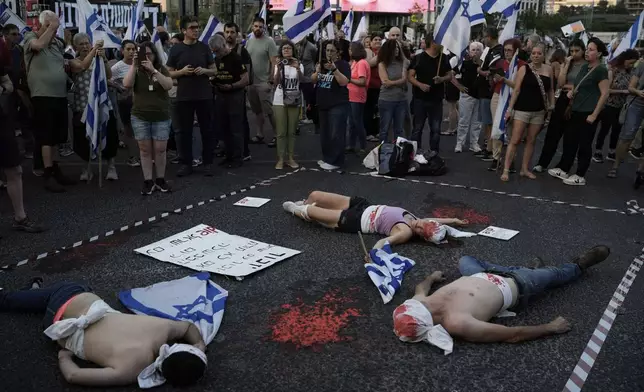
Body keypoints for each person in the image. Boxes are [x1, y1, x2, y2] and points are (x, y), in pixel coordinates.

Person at [393, 245, 610, 351]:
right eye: (425, 307)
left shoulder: (421, 304)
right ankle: (579, 266)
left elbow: (420, 289)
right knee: (555, 275)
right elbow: (512, 335)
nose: (426, 301)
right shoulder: (459, 323)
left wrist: (431, 278)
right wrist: (550, 328)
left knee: (465, 260)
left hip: (480, 274)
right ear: (429, 322)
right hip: (519, 283)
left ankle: (522, 268)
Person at [0, 279, 207, 387]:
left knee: (70, 287)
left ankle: (24, 294)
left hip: (72, 296)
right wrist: (65, 356)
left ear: (180, 346)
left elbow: (188, 327)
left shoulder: (162, 329)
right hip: (56, 328)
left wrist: (200, 344)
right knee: (41, 301)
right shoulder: (130, 371)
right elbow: (73, 374)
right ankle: (29, 293)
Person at [282, 191, 471, 251]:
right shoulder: (419, 221)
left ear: (421, 236)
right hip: (363, 206)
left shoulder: (405, 232)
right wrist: (454, 220)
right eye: (423, 222)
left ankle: (296, 210)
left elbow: (383, 242)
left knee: (310, 211)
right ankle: (304, 206)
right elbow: (434, 219)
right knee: (315, 195)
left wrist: (375, 254)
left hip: (355, 220)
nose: (419, 223)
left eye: (421, 228)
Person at [23, 11, 78, 192]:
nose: (53, 30)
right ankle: (47, 173)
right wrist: (52, 26)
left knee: (57, 136)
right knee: (46, 136)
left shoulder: (57, 44)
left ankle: (55, 168)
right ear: (40, 25)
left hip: (59, 95)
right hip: (42, 95)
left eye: (55, 26)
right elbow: (38, 45)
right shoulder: (31, 37)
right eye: (48, 26)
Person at [548, 38, 610, 186]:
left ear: (599, 53)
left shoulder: (601, 70)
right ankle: (564, 168)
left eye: (591, 49)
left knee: (584, 144)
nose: (588, 52)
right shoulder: (584, 67)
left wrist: (594, 114)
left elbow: (605, 93)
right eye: (587, 49)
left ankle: (580, 174)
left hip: (588, 111)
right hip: (576, 109)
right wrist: (572, 92)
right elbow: (578, 85)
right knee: (570, 140)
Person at [0, 35, 44, 233]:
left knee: (15, 170)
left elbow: (8, 83)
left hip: (1, 122)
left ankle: (20, 217)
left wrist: (4, 88)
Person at [167, 15, 218, 177]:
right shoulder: (176, 49)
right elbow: (168, 73)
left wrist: (205, 71)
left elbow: (214, 70)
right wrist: (181, 72)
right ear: (183, 31)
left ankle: (208, 163)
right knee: (183, 132)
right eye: (192, 28)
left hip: (204, 95)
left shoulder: (204, 48)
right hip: (184, 96)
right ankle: (186, 163)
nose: (196, 30)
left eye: (197, 27)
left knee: (207, 130)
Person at [123, 41, 174, 195]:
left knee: (160, 149)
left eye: (149, 54)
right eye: (143, 55)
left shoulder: (160, 68)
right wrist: (134, 65)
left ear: (154, 54)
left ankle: (160, 179)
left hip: (161, 116)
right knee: (144, 150)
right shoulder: (136, 70)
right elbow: (126, 84)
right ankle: (148, 180)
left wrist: (153, 71)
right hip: (140, 116)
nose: (146, 57)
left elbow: (168, 85)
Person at [502, 43, 554, 181]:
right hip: (522, 110)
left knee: (531, 140)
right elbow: (517, 90)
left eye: (539, 53)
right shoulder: (524, 69)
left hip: (539, 111)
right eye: (534, 53)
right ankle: (506, 169)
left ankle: (525, 169)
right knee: (515, 140)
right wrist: (510, 109)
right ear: (531, 55)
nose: (536, 56)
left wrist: (552, 105)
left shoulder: (549, 70)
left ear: (544, 55)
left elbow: (550, 90)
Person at [533, 39, 587, 173]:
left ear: (583, 51)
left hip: (577, 101)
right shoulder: (567, 64)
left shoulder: (586, 66)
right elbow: (561, 83)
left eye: (577, 51)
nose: (574, 53)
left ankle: (563, 166)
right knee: (553, 133)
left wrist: (572, 87)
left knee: (570, 137)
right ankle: (542, 163)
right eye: (572, 51)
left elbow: (584, 86)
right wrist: (566, 66)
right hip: (563, 99)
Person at [209, 34, 249, 169]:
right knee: (223, 127)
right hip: (220, 95)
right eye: (213, 52)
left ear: (223, 46)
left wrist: (232, 86)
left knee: (235, 128)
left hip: (234, 95)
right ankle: (228, 155)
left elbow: (245, 79)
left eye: (217, 51)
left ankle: (238, 157)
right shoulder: (215, 60)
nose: (216, 54)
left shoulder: (235, 58)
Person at [594, 49, 639, 165]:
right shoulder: (613, 70)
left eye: (634, 63)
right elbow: (607, 90)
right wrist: (624, 91)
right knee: (604, 129)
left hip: (622, 106)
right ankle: (598, 150)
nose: (631, 65)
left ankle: (611, 150)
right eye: (630, 62)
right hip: (609, 104)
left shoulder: (632, 73)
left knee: (616, 130)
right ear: (625, 60)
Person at [408, 36, 452, 152]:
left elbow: (449, 75)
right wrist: (420, 85)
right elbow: (410, 76)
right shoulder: (418, 58)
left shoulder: (444, 58)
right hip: (420, 98)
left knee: (436, 129)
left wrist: (442, 79)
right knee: (417, 128)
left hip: (436, 99)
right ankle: (416, 153)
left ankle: (434, 154)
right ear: (433, 43)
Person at [487, 38, 525, 170]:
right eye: (505, 50)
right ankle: (496, 157)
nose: (507, 53)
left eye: (510, 50)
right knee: (497, 126)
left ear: (516, 51)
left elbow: (518, 85)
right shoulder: (499, 63)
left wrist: (505, 80)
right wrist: (492, 78)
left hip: (513, 99)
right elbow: (494, 81)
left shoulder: (521, 65)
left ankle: (510, 159)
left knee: (511, 130)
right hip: (498, 96)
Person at [312, 40, 351, 170]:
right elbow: (312, 80)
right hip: (323, 103)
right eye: (327, 50)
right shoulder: (321, 65)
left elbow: (344, 82)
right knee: (325, 133)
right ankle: (327, 158)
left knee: (336, 133)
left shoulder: (343, 64)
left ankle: (336, 161)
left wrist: (334, 69)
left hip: (338, 103)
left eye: (332, 50)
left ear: (338, 52)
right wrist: (317, 71)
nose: (329, 53)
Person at [608, 53, 644, 178]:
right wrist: (638, 92)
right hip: (637, 103)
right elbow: (631, 87)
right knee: (627, 135)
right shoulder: (642, 66)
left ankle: (640, 170)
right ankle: (615, 166)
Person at [246, 17, 278, 147]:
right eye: (256, 26)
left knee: (269, 111)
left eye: (260, 26)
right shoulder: (249, 41)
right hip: (251, 82)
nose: (258, 28)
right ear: (252, 27)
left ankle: (277, 135)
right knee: (257, 111)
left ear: (264, 28)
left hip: (264, 82)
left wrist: (271, 80)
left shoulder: (269, 42)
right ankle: (260, 134)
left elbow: (274, 62)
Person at [224, 22, 253, 162]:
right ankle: (228, 152)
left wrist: (241, 87)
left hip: (238, 92)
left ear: (237, 34)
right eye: (227, 32)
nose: (229, 35)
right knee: (226, 124)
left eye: (232, 32)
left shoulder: (242, 51)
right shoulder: (221, 50)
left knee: (240, 123)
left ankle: (243, 152)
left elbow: (248, 73)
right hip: (223, 94)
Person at [474, 27, 503, 162]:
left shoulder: (498, 51)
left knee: (489, 122)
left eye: (485, 37)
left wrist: (481, 71)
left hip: (489, 92)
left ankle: (490, 149)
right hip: (483, 91)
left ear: (490, 37)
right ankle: (488, 146)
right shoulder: (490, 51)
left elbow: (492, 70)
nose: (483, 40)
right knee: (486, 122)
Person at [110, 39, 141, 168]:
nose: (131, 51)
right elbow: (109, 80)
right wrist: (119, 87)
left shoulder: (140, 65)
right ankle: (132, 157)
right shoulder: (117, 67)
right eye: (128, 49)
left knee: (141, 130)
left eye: (133, 49)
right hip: (125, 103)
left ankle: (144, 156)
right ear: (122, 51)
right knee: (129, 130)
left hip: (140, 102)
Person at [272, 40, 302, 169]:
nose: (286, 50)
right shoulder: (279, 64)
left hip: (294, 99)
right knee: (281, 132)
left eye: (289, 48)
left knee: (291, 131)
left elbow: (303, 80)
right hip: (279, 99)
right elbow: (275, 83)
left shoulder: (298, 64)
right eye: (284, 48)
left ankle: (290, 158)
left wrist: (297, 68)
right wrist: (278, 68)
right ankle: (280, 159)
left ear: (293, 50)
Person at [453, 42, 483, 153]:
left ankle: (474, 143)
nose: (475, 52)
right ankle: (459, 143)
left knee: (477, 122)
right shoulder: (464, 64)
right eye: (473, 50)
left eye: (478, 50)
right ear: (469, 52)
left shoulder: (484, 65)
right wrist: (459, 86)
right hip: (467, 95)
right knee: (463, 121)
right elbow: (451, 74)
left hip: (480, 96)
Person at [377, 40, 409, 143]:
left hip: (401, 99)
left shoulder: (402, 63)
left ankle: (398, 153)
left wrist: (393, 82)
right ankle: (383, 152)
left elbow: (404, 79)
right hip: (387, 100)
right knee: (384, 129)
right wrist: (400, 81)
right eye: (394, 48)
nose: (396, 50)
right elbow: (385, 82)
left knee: (399, 129)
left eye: (398, 48)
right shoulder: (382, 64)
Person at [347, 41, 370, 154]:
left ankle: (363, 146)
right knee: (351, 122)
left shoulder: (361, 63)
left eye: (351, 49)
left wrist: (349, 79)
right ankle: (351, 145)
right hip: (351, 96)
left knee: (357, 122)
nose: (349, 51)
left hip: (357, 97)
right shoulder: (355, 62)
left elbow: (362, 81)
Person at [364, 33, 383, 142]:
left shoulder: (382, 52)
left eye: (379, 40)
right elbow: (369, 64)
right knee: (369, 110)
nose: (377, 41)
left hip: (380, 85)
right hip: (370, 85)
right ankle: (368, 132)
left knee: (378, 111)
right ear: (370, 42)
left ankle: (377, 131)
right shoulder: (368, 51)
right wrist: (381, 55)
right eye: (375, 39)